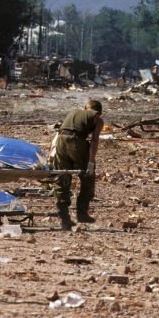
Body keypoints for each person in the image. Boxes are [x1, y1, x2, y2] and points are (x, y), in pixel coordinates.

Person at [50, 99, 103, 230]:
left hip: (60, 142)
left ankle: (64, 218)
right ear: (99, 112)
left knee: (62, 177)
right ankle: (82, 213)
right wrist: (90, 162)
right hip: (76, 142)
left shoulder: (73, 112)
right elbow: (94, 141)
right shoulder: (97, 118)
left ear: (86, 107)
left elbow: (60, 132)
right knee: (87, 176)